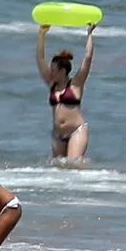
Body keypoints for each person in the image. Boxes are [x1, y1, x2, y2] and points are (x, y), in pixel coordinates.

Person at [38, 23, 96, 160]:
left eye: (53, 70)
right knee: (59, 170)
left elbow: (87, 58)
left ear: (62, 71)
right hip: (57, 135)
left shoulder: (76, 85)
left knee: (73, 165)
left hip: (76, 131)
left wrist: (89, 34)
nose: (50, 72)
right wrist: (41, 34)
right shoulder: (51, 83)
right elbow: (40, 58)